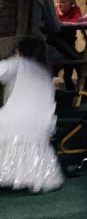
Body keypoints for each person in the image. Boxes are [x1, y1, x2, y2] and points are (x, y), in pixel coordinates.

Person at [0, 35, 64, 192]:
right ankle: (26, 177)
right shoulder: (46, 74)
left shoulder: (17, 64)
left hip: (13, 121)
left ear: (20, 52)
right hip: (41, 126)